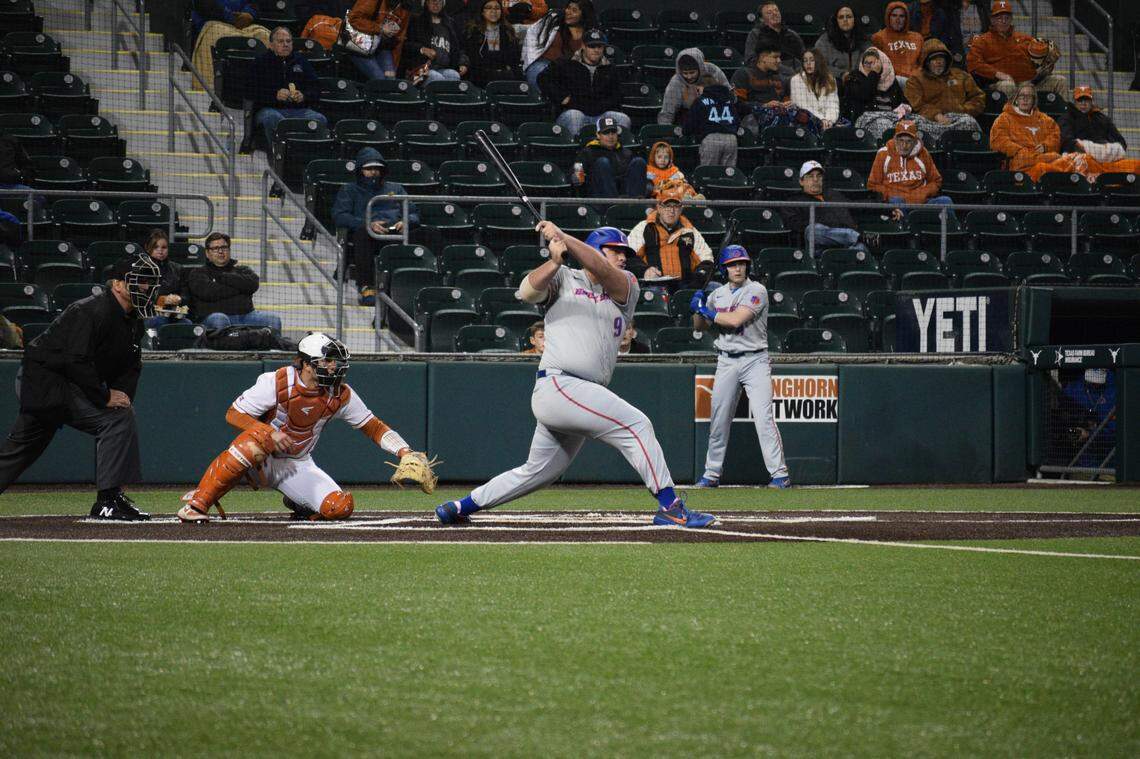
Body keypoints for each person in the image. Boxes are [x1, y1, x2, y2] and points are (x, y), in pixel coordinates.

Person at [435, 223, 717, 529]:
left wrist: (563, 237)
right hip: (560, 383)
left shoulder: (627, 283)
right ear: (594, 249)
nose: (623, 257)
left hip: (582, 393)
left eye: (624, 252)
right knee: (636, 424)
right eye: (614, 250)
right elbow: (526, 292)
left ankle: (459, 507)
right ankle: (671, 507)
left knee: (539, 472)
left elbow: (603, 270)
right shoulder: (564, 276)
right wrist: (555, 261)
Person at [177, 333, 434, 522]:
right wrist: (268, 432)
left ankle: (299, 501)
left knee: (339, 507)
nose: (334, 367)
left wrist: (404, 451)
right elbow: (234, 414)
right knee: (252, 445)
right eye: (327, 361)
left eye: (336, 362)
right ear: (307, 364)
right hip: (260, 458)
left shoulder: (340, 393)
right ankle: (198, 504)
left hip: (296, 462)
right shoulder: (276, 381)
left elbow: (373, 427)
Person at [0, 254, 161, 520]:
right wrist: (104, 396)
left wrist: (122, 396)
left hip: (68, 382)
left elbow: (130, 366)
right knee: (114, 419)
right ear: (117, 284)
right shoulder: (90, 310)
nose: (146, 287)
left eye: (149, 281)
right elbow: (75, 360)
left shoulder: (132, 320)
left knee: (22, 449)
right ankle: (108, 501)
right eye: (139, 280)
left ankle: (111, 498)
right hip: (44, 380)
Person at [690, 245, 789, 489]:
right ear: (725, 269)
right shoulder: (717, 294)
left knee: (764, 419)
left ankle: (780, 474)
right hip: (726, 360)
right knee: (718, 420)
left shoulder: (757, 290)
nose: (738, 268)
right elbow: (699, 327)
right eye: (733, 264)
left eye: (742, 263)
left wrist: (706, 311)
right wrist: (696, 309)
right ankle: (711, 474)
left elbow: (735, 320)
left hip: (755, 360)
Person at [989, 84, 1140, 182]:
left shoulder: (1045, 119)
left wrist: (1045, 146)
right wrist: (1020, 150)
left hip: (1048, 158)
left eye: (1029, 96)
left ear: (1034, 100)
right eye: (1021, 96)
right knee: (1050, 167)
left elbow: (1055, 137)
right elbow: (998, 141)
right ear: (1015, 99)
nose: (1025, 100)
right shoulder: (1004, 118)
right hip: (1022, 161)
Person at [332, 148, 421, 306]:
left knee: (427, 233)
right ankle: (366, 287)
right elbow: (340, 216)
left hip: (394, 231)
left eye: (377, 169)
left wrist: (406, 221)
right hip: (367, 233)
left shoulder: (396, 188)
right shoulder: (349, 190)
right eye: (369, 169)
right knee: (362, 233)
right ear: (360, 170)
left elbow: (413, 212)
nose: (373, 172)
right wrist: (367, 224)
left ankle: (420, 283)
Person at [966, 0, 1066, 100]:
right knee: (1008, 86)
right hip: (1001, 85)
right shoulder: (982, 40)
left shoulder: (1024, 38)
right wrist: (997, 74)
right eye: (999, 18)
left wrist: (1048, 62)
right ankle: (1012, 111)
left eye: (1007, 18)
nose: (1003, 21)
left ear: (1011, 19)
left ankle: (1064, 110)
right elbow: (973, 63)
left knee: (1060, 80)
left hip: (1029, 84)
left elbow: (1041, 59)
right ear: (992, 20)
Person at [186, 232, 283, 334]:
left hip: (247, 315)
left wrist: (223, 278)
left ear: (229, 250)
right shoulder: (198, 273)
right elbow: (208, 293)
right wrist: (240, 288)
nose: (220, 251)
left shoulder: (242, 270)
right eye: (215, 248)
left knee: (273, 320)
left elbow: (253, 284)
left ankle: (274, 344)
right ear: (207, 253)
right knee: (219, 319)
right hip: (215, 316)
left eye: (224, 247)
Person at [540, 28, 628, 137]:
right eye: (592, 46)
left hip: (600, 114)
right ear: (583, 46)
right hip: (573, 111)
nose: (596, 50)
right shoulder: (567, 63)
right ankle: (574, 147)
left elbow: (618, 94)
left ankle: (615, 148)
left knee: (622, 118)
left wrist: (603, 105)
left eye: (599, 46)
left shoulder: (610, 68)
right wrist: (561, 97)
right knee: (575, 116)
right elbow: (543, 78)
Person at [250, 27, 326, 149]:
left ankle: (303, 152)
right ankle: (277, 153)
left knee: (319, 119)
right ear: (271, 45)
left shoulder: (301, 61)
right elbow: (250, 91)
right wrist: (274, 95)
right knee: (273, 118)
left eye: (288, 41)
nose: (285, 44)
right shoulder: (260, 62)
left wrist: (304, 96)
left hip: (298, 110)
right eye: (280, 41)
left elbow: (316, 87)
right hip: (270, 109)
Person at [625, 185, 714, 285]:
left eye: (675, 206)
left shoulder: (690, 230)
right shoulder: (644, 227)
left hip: (684, 286)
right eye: (667, 206)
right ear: (659, 208)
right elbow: (628, 256)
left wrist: (698, 278)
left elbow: (707, 259)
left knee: (714, 286)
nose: (671, 211)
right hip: (654, 286)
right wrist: (644, 270)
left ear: (681, 209)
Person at [867, 120, 952, 219]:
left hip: (920, 203)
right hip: (897, 203)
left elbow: (936, 181)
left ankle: (951, 228)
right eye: (901, 140)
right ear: (895, 139)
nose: (904, 146)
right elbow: (873, 185)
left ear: (915, 141)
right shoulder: (883, 154)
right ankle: (906, 228)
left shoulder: (923, 153)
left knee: (945, 201)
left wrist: (921, 194)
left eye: (908, 141)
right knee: (896, 201)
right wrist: (893, 194)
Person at [904, 38, 984, 141]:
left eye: (942, 58)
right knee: (916, 126)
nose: (939, 62)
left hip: (959, 119)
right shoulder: (915, 80)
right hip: (930, 121)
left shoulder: (961, 75)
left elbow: (978, 98)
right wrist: (936, 115)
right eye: (934, 59)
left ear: (947, 60)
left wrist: (963, 110)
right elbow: (917, 105)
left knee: (969, 121)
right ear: (926, 62)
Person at [780, 160, 868, 253]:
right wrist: (826, 226)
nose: (815, 179)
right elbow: (795, 225)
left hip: (847, 244)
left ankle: (856, 239)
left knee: (860, 248)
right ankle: (858, 237)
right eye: (810, 176)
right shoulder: (794, 201)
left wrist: (878, 200)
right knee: (813, 230)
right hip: (820, 246)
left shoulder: (833, 194)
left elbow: (854, 205)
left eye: (819, 176)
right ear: (801, 181)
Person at [191, 0, 271, 93]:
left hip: (244, 25)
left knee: (264, 36)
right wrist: (231, 17)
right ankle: (209, 87)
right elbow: (205, 6)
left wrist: (249, 14)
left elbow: (253, 3)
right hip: (215, 22)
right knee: (215, 36)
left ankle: (268, 87)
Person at [521, 0, 594, 91]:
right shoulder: (552, 20)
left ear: (584, 14)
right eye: (568, 8)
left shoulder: (590, 33)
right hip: (544, 63)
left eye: (574, 10)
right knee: (540, 74)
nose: (568, 12)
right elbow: (532, 33)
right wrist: (529, 58)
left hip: (569, 68)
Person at [843, 47, 911, 141]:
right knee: (885, 125)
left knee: (918, 123)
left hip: (893, 117)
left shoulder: (891, 80)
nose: (871, 66)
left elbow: (904, 102)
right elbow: (864, 95)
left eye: (874, 63)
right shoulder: (854, 78)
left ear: (882, 63)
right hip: (868, 119)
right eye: (867, 63)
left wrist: (905, 108)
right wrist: (874, 74)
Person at [572, 116, 647, 199]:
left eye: (613, 132)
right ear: (598, 135)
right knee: (603, 162)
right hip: (598, 195)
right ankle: (613, 203)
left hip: (624, 193)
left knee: (639, 162)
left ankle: (635, 204)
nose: (611, 136)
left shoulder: (626, 152)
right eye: (606, 133)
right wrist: (576, 177)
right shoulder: (587, 152)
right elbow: (576, 175)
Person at [731, 43, 796, 134]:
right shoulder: (743, 74)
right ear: (762, 58)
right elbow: (737, 104)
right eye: (775, 57)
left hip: (779, 119)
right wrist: (763, 106)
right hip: (752, 122)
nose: (779, 61)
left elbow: (786, 99)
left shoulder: (779, 77)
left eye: (779, 57)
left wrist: (788, 104)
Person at [658, 48, 731, 127]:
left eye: (692, 72)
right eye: (685, 73)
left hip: (716, 114)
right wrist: (665, 130)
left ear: (700, 68)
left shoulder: (713, 71)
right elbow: (667, 113)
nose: (689, 77)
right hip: (688, 118)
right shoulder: (676, 82)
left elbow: (729, 95)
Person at [400, 0, 468, 84]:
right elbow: (404, 45)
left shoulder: (450, 23)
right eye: (432, 1)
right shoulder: (416, 21)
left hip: (444, 67)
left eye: (439, 1)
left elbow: (460, 48)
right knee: (436, 77)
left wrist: (462, 63)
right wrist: (422, 49)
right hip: (420, 70)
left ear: (443, 4)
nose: (436, 4)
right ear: (426, 3)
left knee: (454, 75)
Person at [1057, 86, 1129, 161]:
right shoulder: (1066, 118)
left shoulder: (1102, 118)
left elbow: (1121, 141)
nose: (1083, 103)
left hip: (1103, 158)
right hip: (1079, 156)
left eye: (1087, 100)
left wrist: (1105, 150)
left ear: (1091, 101)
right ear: (1074, 102)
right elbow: (1067, 141)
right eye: (1080, 100)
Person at [346, 0, 412, 81]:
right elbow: (354, 19)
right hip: (360, 44)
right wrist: (380, 28)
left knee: (390, 80)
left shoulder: (405, 8)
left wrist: (394, 67)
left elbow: (399, 39)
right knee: (380, 79)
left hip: (383, 46)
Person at [462, 0, 523, 87]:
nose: (493, 11)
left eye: (497, 8)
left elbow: (514, 58)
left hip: (504, 73)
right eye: (489, 8)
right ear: (482, 12)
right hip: (480, 73)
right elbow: (473, 58)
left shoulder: (508, 31)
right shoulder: (473, 31)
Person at [141, 229, 192, 331]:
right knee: (161, 320)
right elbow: (140, 298)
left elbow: (186, 296)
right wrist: (162, 299)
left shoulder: (178, 269)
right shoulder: (141, 269)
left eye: (164, 247)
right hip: (150, 315)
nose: (160, 251)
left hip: (174, 315)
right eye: (155, 247)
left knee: (187, 323)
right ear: (147, 248)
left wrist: (179, 299)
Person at [683, 84, 743, 167]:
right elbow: (737, 121)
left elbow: (690, 124)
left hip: (711, 139)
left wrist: (690, 133)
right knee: (728, 172)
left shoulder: (700, 100)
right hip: (731, 139)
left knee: (709, 172)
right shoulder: (729, 100)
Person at [789, 49, 848, 134]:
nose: (808, 63)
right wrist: (821, 119)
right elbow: (802, 106)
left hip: (827, 124)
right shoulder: (796, 80)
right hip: (805, 125)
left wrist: (829, 120)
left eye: (812, 60)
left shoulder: (829, 79)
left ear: (819, 62)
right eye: (805, 61)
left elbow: (833, 104)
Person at [813, 5, 871, 80]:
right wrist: (841, 74)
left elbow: (871, 60)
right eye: (841, 17)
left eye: (849, 17)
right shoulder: (824, 41)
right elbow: (819, 65)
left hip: (859, 81)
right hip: (833, 82)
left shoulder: (863, 40)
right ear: (836, 21)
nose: (845, 20)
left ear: (854, 20)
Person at [872, 2, 924, 81]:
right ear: (888, 17)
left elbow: (923, 64)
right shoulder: (878, 37)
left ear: (906, 19)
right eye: (894, 15)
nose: (897, 20)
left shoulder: (917, 38)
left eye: (901, 16)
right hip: (891, 81)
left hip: (914, 81)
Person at [743, 2, 805, 68]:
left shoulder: (792, 35)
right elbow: (749, 60)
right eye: (769, 13)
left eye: (776, 10)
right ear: (761, 19)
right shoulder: (755, 34)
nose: (775, 13)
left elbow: (804, 57)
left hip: (793, 71)